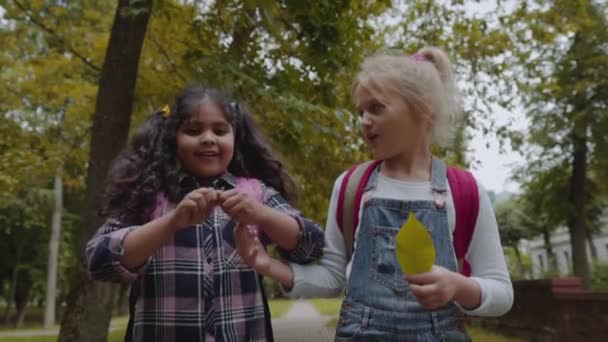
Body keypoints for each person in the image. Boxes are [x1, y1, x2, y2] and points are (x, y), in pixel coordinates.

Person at [235, 47, 514, 341]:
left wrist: (459, 287)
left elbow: (501, 292)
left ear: (423, 108)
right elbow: (331, 278)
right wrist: (268, 265)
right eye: (361, 111)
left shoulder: (464, 190)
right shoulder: (351, 186)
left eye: (376, 108)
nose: (364, 120)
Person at [86, 85, 324, 342]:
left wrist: (261, 215)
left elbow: (311, 246)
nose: (208, 138)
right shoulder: (150, 195)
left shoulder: (256, 194)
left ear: (235, 137)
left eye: (220, 130)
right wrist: (171, 223)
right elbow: (99, 261)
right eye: (193, 130)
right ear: (173, 138)